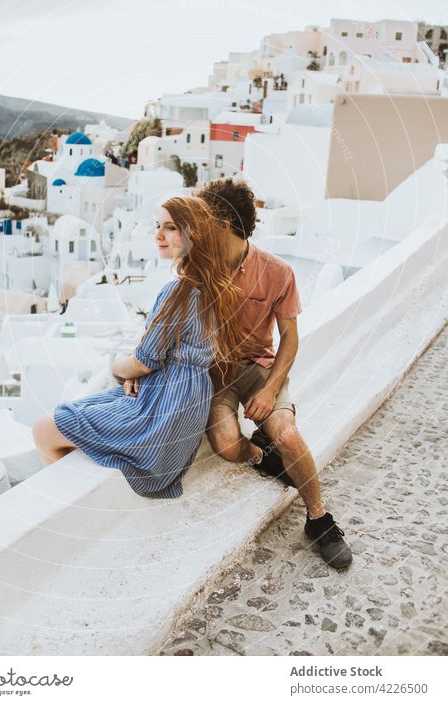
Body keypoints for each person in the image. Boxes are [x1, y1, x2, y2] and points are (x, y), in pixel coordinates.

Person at [32, 196, 247, 499]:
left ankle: (62, 505)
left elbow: (144, 361)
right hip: (184, 402)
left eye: (170, 227)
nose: (159, 235)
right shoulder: (217, 285)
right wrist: (139, 367)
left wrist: (119, 367)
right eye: (157, 226)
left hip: (162, 411)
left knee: (44, 429)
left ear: (193, 233)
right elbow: (157, 352)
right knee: (83, 410)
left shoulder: (180, 291)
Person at [198, 179, 353, 569]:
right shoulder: (199, 267)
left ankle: (319, 519)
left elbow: (289, 339)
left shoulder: (277, 272)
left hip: (259, 368)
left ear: (224, 225)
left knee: (285, 428)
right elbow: (166, 321)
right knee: (227, 444)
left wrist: (268, 392)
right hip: (216, 376)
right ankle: (263, 454)